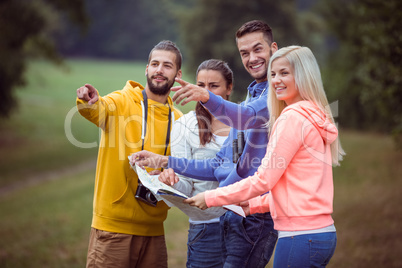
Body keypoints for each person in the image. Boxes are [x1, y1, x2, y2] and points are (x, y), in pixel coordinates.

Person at [131, 20, 279, 267]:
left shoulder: (273, 94)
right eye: (244, 52)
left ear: (274, 48)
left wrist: (207, 98)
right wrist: (165, 161)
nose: (251, 58)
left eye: (258, 49)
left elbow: (244, 118)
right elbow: (216, 165)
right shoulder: (253, 96)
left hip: (253, 214)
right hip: (232, 215)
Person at [185, 46, 346, 268]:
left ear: (303, 75)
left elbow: (264, 180)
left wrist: (212, 197)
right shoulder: (315, 114)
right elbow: (298, 190)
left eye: (284, 73)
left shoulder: (292, 118)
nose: (276, 80)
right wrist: (255, 205)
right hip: (321, 234)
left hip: (299, 237)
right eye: (273, 74)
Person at [76, 40, 183, 268]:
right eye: (154, 64)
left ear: (177, 73)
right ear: (146, 69)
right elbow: (100, 109)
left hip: (154, 232)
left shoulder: (180, 120)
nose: (159, 70)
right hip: (113, 230)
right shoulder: (122, 101)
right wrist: (90, 101)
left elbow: (185, 168)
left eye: (167, 65)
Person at [168, 59, 233, 267]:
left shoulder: (243, 122)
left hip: (244, 225)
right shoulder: (185, 125)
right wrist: (172, 182)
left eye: (214, 86)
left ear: (229, 88)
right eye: (201, 85)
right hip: (207, 226)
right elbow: (186, 185)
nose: (205, 91)